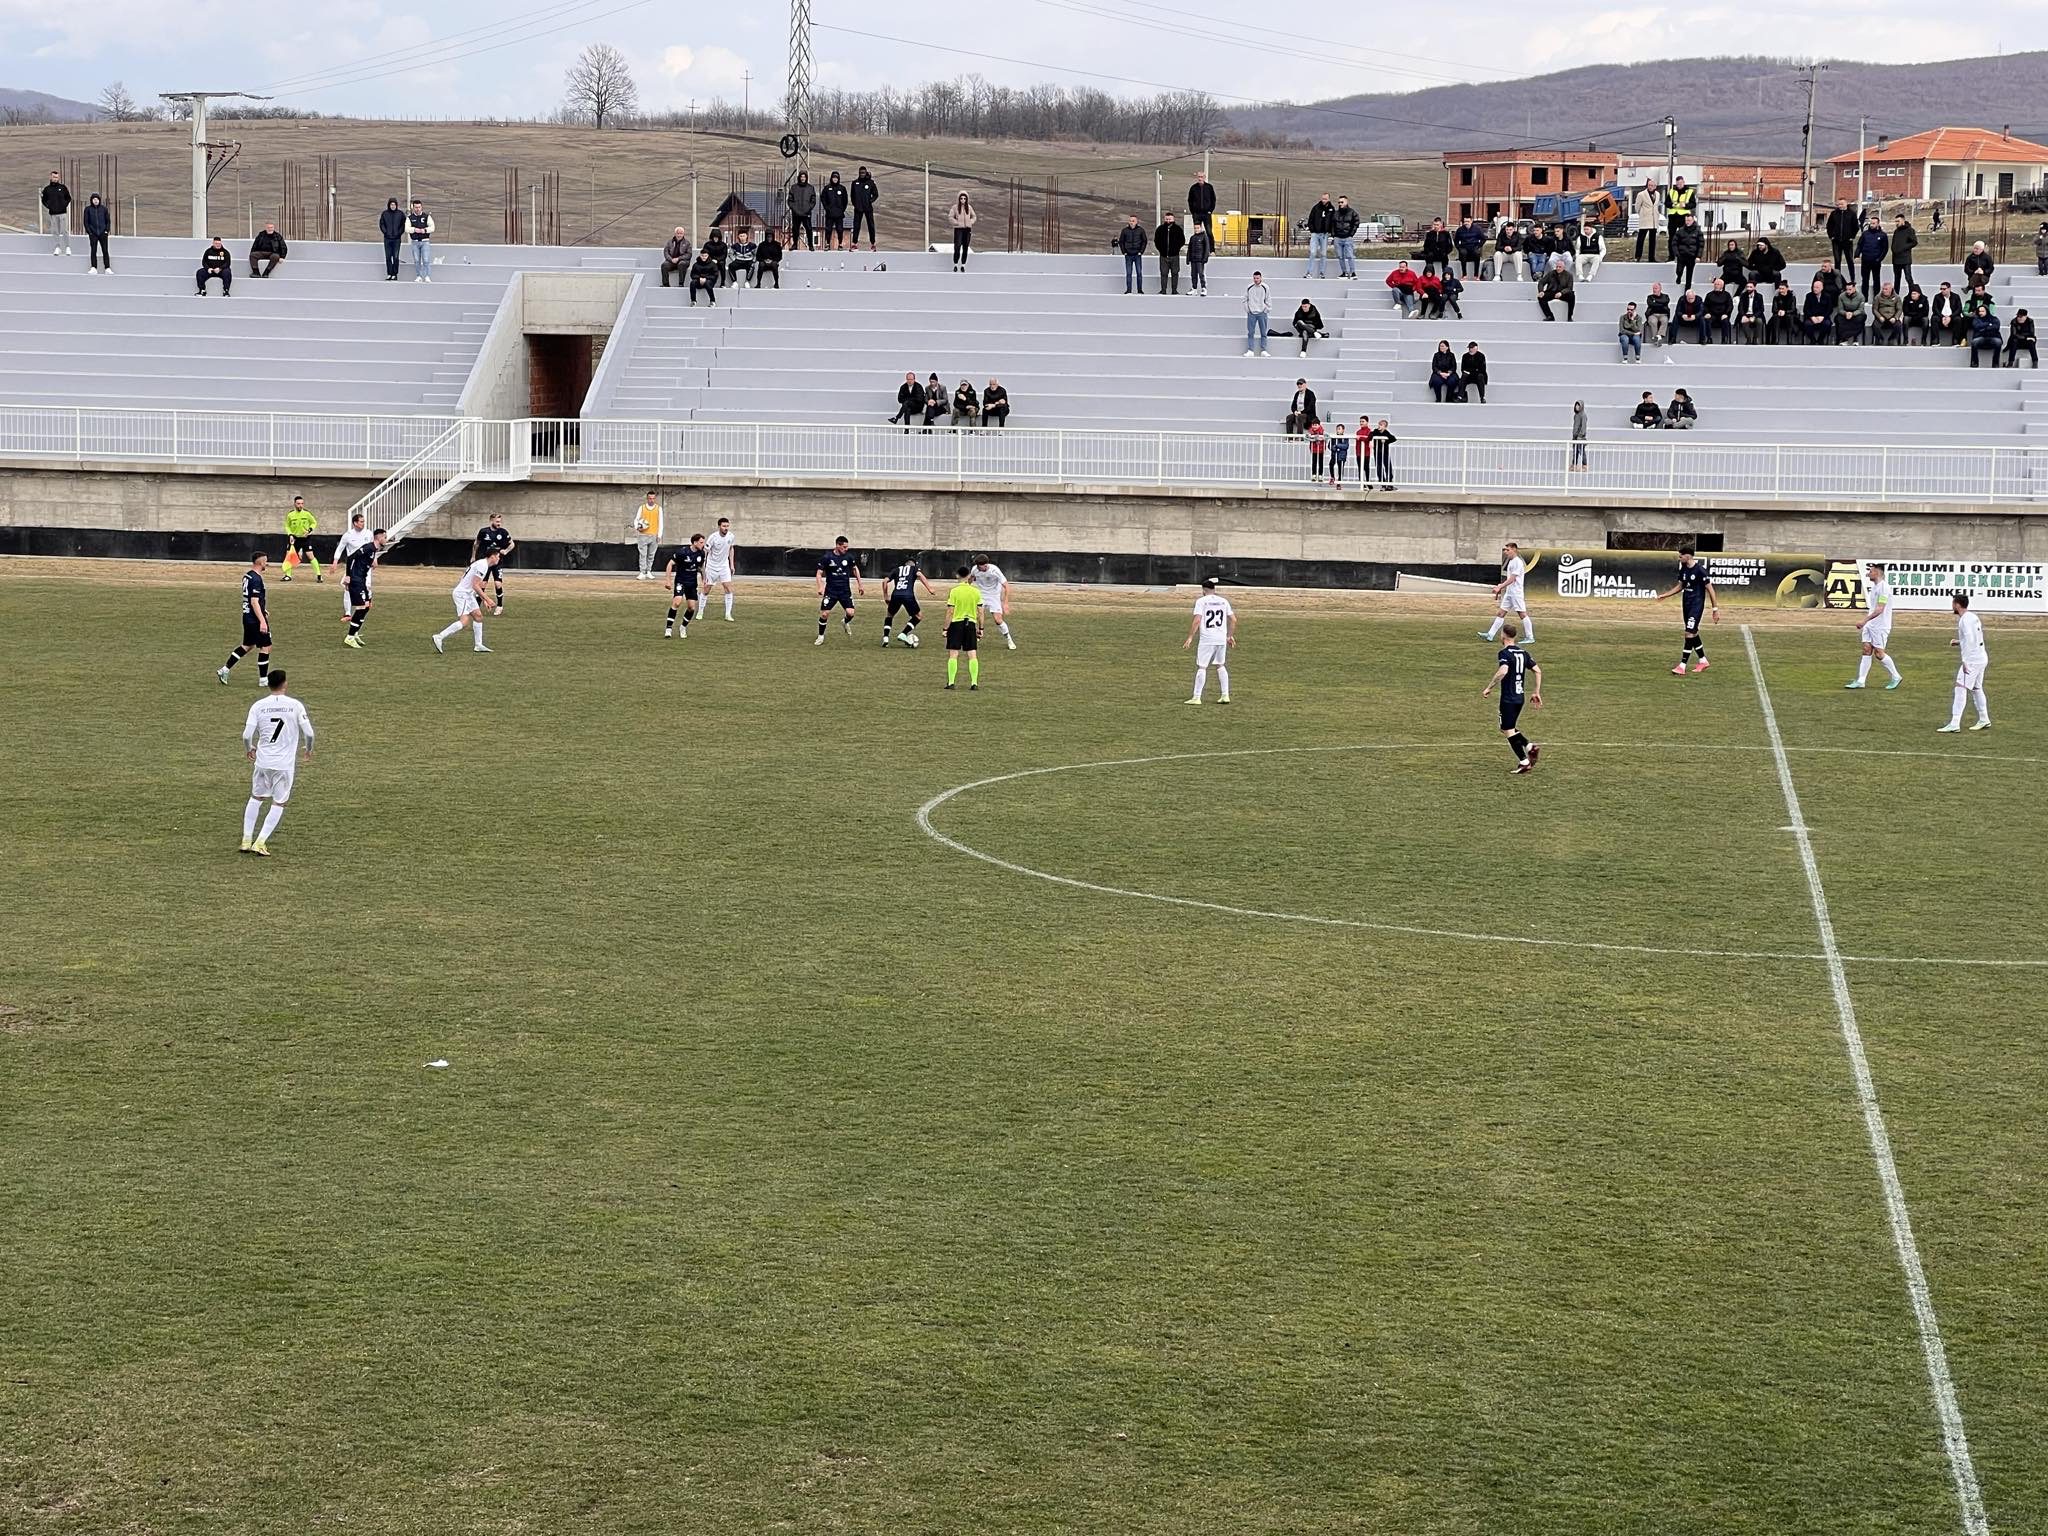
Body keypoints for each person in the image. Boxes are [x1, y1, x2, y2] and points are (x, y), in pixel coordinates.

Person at [239, 670, 312, 856]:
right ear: (285, 684)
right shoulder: (295, 706)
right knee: (279, 802)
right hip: (283, 765)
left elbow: (247, 735)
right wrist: (308, 748)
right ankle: (260, 842)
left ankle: (246, 840)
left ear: (269, 684)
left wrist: (249, 748)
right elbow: (309, 733)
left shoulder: (258, 706)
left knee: (256, 797)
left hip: (263, 762)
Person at [1480, 624, 1542, 775]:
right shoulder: (1524, 653)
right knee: (1507, 728)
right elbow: (1537, 670)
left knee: (1507, 730)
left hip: (1508, 698)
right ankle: (1529, 747)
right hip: (1519, 697)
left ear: (1503, 635)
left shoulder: (1504, 653)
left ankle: (1524, 761)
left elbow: (1503, 671)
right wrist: (1536, 692)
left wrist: (1489, 687)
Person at [1654, 548, 1717, 673]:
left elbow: (1711, 590)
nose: (1679, 558)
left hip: (1696, 606)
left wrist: (1715, 609)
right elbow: (1681, 586)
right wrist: (1665, 595)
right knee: (1693, 633)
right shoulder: (1683, 568)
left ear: (1688, 556)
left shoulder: (1700, 571)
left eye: (1681, 556)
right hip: (1686, 605)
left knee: (1688, 633)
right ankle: (1703, 661)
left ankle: (1682, 666)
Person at [217, 553, 274, 685]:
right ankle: (263, 679)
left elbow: (251, 599)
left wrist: (262, 608)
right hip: (254, 619)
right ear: (260, 563)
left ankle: (224, 669)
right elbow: (254, 601)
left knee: (248, 645)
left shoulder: (247, 576)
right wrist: (262, 620)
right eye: (266, 561)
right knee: (266, 646)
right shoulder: (256, 579)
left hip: (247, 616)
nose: (267, 564)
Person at [1844, 561, 1902, 690]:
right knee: (1866, 649)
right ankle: (1861, 680)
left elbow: (1880, 609)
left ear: (1877, 572)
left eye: (1870, 571)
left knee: (1879, 654)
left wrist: (1864, 620)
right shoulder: (1875, 587)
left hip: (1880, 626)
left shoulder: (1884, 588)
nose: (1868, 573)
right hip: (1871, 625)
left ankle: (1896, 676)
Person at [1938, 592, 1991, 733]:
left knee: (1960, 687)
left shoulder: (1964, 620)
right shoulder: (1973, 617)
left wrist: (1965, 660)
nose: (1952, 606)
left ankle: (1954, 723)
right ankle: (1984, 719)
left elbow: (1970, 639)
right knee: (1976, 688)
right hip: (1981, 657)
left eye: (1953, 603)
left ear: (1957, 604)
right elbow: (1974, 638)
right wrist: (1959, 642)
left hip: (1973, 660)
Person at [1183, 576, 1237, 704]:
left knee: (1202, 667)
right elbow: (1234, 620)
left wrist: (1190, 637)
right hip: (1221, 639)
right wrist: (1229, 636)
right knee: (1220, 665)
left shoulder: (1201, 601)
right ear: (1214, 589)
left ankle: (1196, 697)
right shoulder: (1224, 601)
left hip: (1207, 639)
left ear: (1203, 590)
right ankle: (1225, 695)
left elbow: (1197, 620)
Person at [433, 551, 499, 653]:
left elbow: (475, 585)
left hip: (468, 594)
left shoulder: (482, 564)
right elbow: (475, 585)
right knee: (464, 621)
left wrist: (483, 600)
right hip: (462, 594)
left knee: (478, 616)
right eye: (498, 556)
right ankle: (439, 636)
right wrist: (487, 599)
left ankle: (478, 645)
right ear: (492, 556)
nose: (499, 558)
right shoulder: (482, 565)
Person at [340, 529, 387, 649]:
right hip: (356, 580)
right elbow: (350, 557)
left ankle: (354, 633)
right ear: (379, 537)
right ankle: (350, 637)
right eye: (385, 537)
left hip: (362, 580)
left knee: (368, 605)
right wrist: (348, 576)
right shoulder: (368, 547)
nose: (386, 540)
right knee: (362, 607)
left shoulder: (374, 550)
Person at [1481, 540, 1535, 642]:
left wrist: (1500, 587)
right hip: (1510, 593)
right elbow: (1510, 579)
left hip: (1516, 593)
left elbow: (1513, 578)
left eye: (1508, 549)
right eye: (1505, 550)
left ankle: (1530, 637)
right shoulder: (1511, 561)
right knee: (1501, 613)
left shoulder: (1518, 562)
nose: (1505, 552)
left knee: (1522, 614)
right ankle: (1490, 635)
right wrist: (1502, 586)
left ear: (1514, 549)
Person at [815, 536, 864, 643]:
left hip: (845, 591)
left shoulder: (849, 557)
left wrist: (860, 584)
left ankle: (845, 622)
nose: (846, 549)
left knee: (851, 613)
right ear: (838, 545)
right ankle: (820, 636)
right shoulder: (827, 557)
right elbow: (819, 573)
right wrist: (820, 586)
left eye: (847, 547)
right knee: (824, 614)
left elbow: (855, 569)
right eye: (844, 547)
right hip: (831, 591)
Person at [881, 552, 937, 646]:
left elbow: (885, 581)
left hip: (896, 595)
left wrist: (886, 596)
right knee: (918, 616)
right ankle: (903, 634)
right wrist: (929, 589)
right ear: (913, 564)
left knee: (889, 615)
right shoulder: (914, 569)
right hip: (908, 595)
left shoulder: (896, 569)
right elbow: (919, 575)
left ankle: (886, 638)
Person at [943, 566, 982, 690]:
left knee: (953, 654)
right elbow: (980, 612)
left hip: (956, 624)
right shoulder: (976, 591)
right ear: (969, 576)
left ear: (957, 575)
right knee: (972, 654)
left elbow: (950, 611)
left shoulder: (954, 591)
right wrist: (981, 628)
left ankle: (951, 682)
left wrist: (945, 628)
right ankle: (974, 683)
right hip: (970, 623)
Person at [663, 532, 707, 638]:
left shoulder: (701, 553)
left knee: (691, 607)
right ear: (695, 542)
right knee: (677, 602)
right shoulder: (682, 552)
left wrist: (704, 579)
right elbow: (670, 564)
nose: (703, 545)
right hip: (681, 581)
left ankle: (683, 627)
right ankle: (668, 629)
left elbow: (700, 568)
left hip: (692, 583)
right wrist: (668, 581)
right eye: (701, 542)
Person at [331, 512, 374, 618]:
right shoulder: (348, 535)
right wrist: (335, 562)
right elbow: (340, 548)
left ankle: (368, 600)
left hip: (365, 566)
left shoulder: (368, 533)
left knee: (367, 587)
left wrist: (374, 559)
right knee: (347, 587)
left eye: (364, 521)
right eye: (361, 521)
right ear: (355, 523)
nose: (363, 523)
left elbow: (373, 548)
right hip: (352, 566)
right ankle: (347, 613)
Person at [970, 556, 1017, 649]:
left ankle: (1009, 639)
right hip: (981, 595)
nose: (978, 568)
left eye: (980, 567)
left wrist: (1005, 603)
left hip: (994, 596)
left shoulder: (995, 570)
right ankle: (977, 635)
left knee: (998, 620)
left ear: (986, 565)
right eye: (977, 566)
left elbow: (1007, 586)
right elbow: (970, 580)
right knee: (974, 616)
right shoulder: (975, 569)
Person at [473, 511, 515, 612]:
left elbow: (512, 544)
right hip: (486, 562)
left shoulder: (503, 532)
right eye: (497, 521)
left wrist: (506, 550)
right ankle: (477, 607)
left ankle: (499, 606)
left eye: (500, 521)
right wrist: (473, 556)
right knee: (482, 584)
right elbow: (476, 544)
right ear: (491, 521)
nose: (499, 523)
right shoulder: (483, 532)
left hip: (497, 562)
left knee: (498, 584)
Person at [280, 496, 320, 582]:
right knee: (289, 556)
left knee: (310, 556)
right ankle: (288, 575)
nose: (300, 505)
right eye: (298, 503)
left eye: (302, 503)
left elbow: (314, 522)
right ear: (294, 504)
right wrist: (290, 534)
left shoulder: (307, 513)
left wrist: (309, 530)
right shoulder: (290, 514)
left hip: (305, 538)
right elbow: (287, 526)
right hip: (294, 538)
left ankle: (319, 575)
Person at [706, 516, 738, 620]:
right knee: (706, 589)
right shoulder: (713, 537)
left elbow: (731, 549)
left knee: (728, 588)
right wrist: (703, 566)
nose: (726, 528)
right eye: (724, 526)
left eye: (727, 526)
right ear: (719, 526)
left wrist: (731, 565)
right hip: (712, 566)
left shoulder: (731, 536)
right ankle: (700, 612)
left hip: (724, 566)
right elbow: (706, 551)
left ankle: (728, 614)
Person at [631, 490, 662, 580]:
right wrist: (638, 527)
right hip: (643, 535)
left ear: (655, 499)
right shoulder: (642, 508)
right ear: (647, 499)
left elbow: (661, 522)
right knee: (643, 554)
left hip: (654, 535)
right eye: (649, 498)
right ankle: (642, 572)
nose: (651, 500)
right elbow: (636, 519)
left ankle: (649, 571)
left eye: (653, 498)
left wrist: (659, 534)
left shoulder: (659, 509)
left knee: (651, 555)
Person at [1306, 194, 1338, 278]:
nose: (1324, 200)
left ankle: (1322, 273)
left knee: (1323, 254)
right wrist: (1312, 230)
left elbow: (1333, 221)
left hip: (1324, 234)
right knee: (1313, 252)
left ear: (1329, 199)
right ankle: (1309, 272)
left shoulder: (1331, 209)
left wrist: (1331, 232)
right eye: (1323, 199)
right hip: (1315, 234)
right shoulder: (1316, 208)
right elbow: (1310, 219)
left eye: (1326, 199)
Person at [41, 169, 72, 255]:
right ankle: (57, 247)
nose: (55, 179)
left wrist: (63, 205)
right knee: (55, 231)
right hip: (53, 213)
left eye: (57, 177)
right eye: (54, 177)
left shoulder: (62, 188)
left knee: (64, 230)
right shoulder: (47, 189)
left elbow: (68, 198)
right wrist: (49, 206)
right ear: (51, 177)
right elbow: (44, 200)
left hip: (62, 213)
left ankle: (67, 247)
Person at [1115, 214, 1148, 293]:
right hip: (1128, 255)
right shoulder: (1125, 230)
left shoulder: (1141, 230)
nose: (1131, 222)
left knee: (1139, 273)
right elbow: (1121, 241)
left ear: (1136, 222)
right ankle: (1128, 290)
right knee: (1129, 273)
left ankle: (1139, 290)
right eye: (1130, 221)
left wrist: (1141, 251)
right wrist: (1124, 252)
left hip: (1137, 255)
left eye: (1133, 221)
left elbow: (1144, 241)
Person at [1826, 198, 1859, 277]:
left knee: (1850, 260)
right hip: (1836, 241)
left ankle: (1852, 278)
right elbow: (1829, 226)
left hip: (1847, 241)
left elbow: (1856, 226)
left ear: (1846, 204)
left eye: (1842, 204)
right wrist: (1831, 236)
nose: (1840, 206)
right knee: (1837, 260)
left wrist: (1852, 236)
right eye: (1839, 204)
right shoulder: (1834, 213)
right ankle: (1838, 278)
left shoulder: (1852, 213)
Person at [1670, 214, 1703, 292]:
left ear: (1693, 220)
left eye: (1689, 220)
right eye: (1686, 220)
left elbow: (1701, 245)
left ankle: (1687, 290)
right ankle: (1679, 276)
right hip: (1682, 255)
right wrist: (1677, 253)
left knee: (1689, 274)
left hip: (1692, 256)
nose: (1687, 222)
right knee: (1679, 270)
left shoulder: (1698, 231)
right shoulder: (1680, 231)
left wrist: (1698, 256)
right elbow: (1674, 243)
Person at [1155, 211, 1185, 295]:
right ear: (1164, 219)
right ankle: (1163, 290)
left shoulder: (1178, 229)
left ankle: (1174, 290)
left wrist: (1176, 249)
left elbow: (1182, 240)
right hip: (1163, 256)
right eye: (1167, 219)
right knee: (1163, 273)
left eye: (1170, 219)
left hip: (1174, 256)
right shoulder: (1160, 229)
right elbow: (1156, 241)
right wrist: (1161, 250)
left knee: (1175, 273)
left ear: (1173, 219)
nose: (1168, 220)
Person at [850, 167, 879, 250]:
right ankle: (854, 243)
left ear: (866, 173)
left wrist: (870, 201)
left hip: (868, 208)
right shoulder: (855, 183)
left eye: (863, 173)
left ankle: (873, 243)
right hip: (858, 208)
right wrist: (855, 204)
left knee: (870, 225)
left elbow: (876, 194)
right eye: (860, 173)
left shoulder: (870, 183)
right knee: (856, 226)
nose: (862, 174)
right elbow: (852, 196)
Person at [1855, 219, 1886, 296]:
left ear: (1878, 224)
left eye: (1874, 223)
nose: (1872, 225)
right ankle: (1864, 299)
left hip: (1876, 262)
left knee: (1876, 280)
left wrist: (1879, 259)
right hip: (1865, 261)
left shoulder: (1882, 235)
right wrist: (1856, 255)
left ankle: (1876, 298)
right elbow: (1859, 245)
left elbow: (1885, 249)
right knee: (1865, 280)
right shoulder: (1865, 234)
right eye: (1871, 223)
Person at [1929, 282, 1966, 347]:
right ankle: (1935, 341)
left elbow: (1959, 309)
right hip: (1941, 318)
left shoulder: (1956, 296)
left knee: (1958, 319)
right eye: (1941, 289)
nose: (1942, 290)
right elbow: (1935, 309)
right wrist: (1942, 317)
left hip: (1952, 318)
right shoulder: (1937, 297)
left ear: (1949, 289)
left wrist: (1950, 317)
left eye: (1944, 289)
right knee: (1934, 318)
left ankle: (1955, 341)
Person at [1332, 195, 1360, 279]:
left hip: (1348, 237)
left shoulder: (1352, 212)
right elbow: (1332, 224)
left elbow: (1356, 222)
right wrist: (1334, 235)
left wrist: (1351, 234)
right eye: (1339, 202)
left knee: (1350, 256)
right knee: (1340, 256)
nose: (1340, 204)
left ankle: (1353, 273)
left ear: (1346, 202)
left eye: (1342, 202)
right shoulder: (1336, 213)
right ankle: (1344, 272)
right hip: (1338, 238)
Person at [1244, 270, 1271, 357]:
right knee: (1251, 332)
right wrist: (1248, 310)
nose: (1256, 280)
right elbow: (1245, 299)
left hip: (1262, 313)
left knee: (1263, 332)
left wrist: (1266, 310)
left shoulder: (1265, 287)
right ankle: (1250, 350)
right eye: (1254, 278)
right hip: (1251, 313)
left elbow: (1268, 299)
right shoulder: (1249, 287)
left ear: (1261, 278)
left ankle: (1263, 350)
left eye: (1257, 278)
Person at [1968, 302, 2003, 369]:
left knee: (1998, 342)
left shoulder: (1994, 318)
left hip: (1993, 337)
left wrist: (1983, 329)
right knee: (1974, 342)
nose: (1980, 313)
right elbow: (1976, 327)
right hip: (1980, 337)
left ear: (1987, 311)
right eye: (1979, 311)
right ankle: (1974, 362)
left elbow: (1996, 327)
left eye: (1983, 311)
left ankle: (1995, 363)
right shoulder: (1976, 319)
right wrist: (1988, 324)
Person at [819, 171, 849, 249]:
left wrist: (842, 209)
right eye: (833, 178)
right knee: (828, 229)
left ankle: (840, 244)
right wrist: (827, 208)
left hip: (839, 214)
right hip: (830, 214)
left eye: (836, 178)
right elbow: (823, 198)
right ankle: (827, 244)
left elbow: (845, 200)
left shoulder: (842, 188)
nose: (835, 179)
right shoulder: (827, 188)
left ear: (838, 179)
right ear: (831, 178)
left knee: (840, 230)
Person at [82, 193, 111, 274]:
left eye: (97, 199)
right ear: (91, 200)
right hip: (93, 233)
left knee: (105, 250)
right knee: (93, 250)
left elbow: (108, 221)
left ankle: (107, 267)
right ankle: (94, 267)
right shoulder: (88, 209)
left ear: (99, 200)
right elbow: (86, 221)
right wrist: (89, 232)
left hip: (103, 233)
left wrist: (106, 231)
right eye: (94, 199)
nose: (95, 200)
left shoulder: (104, 209)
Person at [1632, 181, 1661, 262]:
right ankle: (1637, 256)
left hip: (1654, 220)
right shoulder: (1641, 194)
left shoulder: (1657, 194)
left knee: (1653, 240)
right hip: (1645, 219)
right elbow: (1637, 206)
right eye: (1649, 185)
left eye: (1652, 185)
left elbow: (1656, 205)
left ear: (1655, 186)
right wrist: (1642, 213)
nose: (1650, 187)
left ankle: (1651, 257)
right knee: (1641, 238)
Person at [788, 171, 817, 250]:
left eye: (804, 177)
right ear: (799, 178)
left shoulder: (810, 188)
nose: (802, 178)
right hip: (796, 213)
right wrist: (793, 208)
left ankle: (810, 245)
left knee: (809, 229)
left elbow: (813, 200)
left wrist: (809, 208)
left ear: (806, 178)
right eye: (801, 177)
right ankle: (795, 244)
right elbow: (790, 200)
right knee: (795, 229)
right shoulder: (794, 187)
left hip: (806, 213)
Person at [378, 197, 406, 279]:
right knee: (388, 256)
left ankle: (395, 274)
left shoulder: (400, 214)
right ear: (389, 205)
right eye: (391, 204)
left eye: (394, 204)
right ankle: (389, 273)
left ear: (396, 205)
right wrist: (385, 232)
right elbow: (381, 224)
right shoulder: (385, 214)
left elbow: (403, 224)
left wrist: (399, 233)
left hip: (397, 239)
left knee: (396, 257)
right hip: (387, 239)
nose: (393, 206)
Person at [407, 199, 434, 281]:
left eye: (419, 207)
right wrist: (414, 229)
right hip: (415, 242)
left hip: (425, 241)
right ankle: (418, 276)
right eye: (416, 207)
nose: (417, 209)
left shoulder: (426, 217)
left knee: (426, 259)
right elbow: (406, 228)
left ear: (421, 207)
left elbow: (432, 227)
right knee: (416, 260)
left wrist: (425, 230)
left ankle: (427, 276)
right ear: (413, 208)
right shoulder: (410, 218)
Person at [1187, 172, 1217, 243]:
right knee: (1197, 232)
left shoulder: (1209, 187)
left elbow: (1213, 199)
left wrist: (1210, 210)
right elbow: (1190, 200)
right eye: (1199, 177)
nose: (1200, 178)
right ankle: (1197, 248)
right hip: (1197, 214)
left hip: (1206, 214)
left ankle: (1211, 250)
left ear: (1204, 177)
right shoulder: (1193, 188)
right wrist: (1193, 212)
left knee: (1209, 232)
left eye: (1201, 177)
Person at [1890, 215, 1918, 291]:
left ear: (1903, 220)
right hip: (1896, 259)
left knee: (1908, 278)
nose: (1896, 223)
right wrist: (1893, 249)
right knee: (1897, 279)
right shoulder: (1896, 231)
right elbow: (1894, 243)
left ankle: (1912, 293)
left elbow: (1914, 242)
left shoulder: (1909, 230)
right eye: (1895, 221)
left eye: (1898, 221)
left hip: (1905, 259)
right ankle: (1896, 296)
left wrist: (1903, 248)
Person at [1801, 279, 1833, 345]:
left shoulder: (1827, 296)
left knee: (1827, 324)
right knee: (1807, 324)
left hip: (1823, 317)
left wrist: (1823, 317)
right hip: (1812, 317)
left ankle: (1820, 339)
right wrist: (1812, 317)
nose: (1815, 289)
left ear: (1822, 288)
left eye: (1817, 287)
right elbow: (1806, 309)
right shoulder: (1809, 296)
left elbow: (1829, 309)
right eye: (1814, 287)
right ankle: (1812, 340)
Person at [950, 192, 976, 271]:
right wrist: (956, 222)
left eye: (964, 198)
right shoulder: (955, 207)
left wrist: (970, 222)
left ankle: (963, 265)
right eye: (961, 198)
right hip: (958, 229)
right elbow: (950, 217)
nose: (963, 200)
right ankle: (955, 264)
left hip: (967, 229)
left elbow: (974, 216)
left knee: (965, 247)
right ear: (959, 199)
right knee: (957, 246)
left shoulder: (969, 207)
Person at [1702, 278, 1733, 344]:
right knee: (1707, 319)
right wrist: (1707, 313)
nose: (1716, 285)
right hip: (1712, 314)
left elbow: (1730, 306)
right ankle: (1709, 338)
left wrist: (1726, 314)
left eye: (1718, 284)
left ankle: (1724, 339)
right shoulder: (1709, 295)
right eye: (1715, 284)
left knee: (1725, 320)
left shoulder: (1727, 295)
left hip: (1723, 315)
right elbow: (1705, 306)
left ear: (1722, 285)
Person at [1186, 221, 1212, 297]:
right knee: (1193, 274)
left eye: (1198, 228)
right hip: (1193, 259)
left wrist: (1205, 258)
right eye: (1195, 228)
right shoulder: (1192, 238)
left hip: (1200, 260)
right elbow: (1189, 249)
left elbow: (1207, 248)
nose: (1196, 229)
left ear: (1201, 228)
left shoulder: (1204, 237)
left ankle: (1203, 288)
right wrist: (1188, 259)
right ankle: (1194, 288)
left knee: (1201, 274)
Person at [1369, 418, 1396, 489]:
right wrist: (1371, 440)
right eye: (1379, 424)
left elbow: (1393, 438)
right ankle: (1382, 483)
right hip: (1377, 453)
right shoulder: (1376, 431)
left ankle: (1389, 483)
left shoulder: (1386, 433)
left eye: (1381, 425)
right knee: (1379, 468)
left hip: (1385, 453)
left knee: (1388, 467)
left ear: (1385, 427)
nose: (1379, 426)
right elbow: (1371, 434)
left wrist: (1386, 441)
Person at [1643, 282, 1671, 347]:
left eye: (1655, 288)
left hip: (1663, 314)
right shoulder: (1650, 297)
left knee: (1664, 321)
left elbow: (1665, 301)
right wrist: (1661, 304)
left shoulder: (1665, 296)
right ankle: (1656, 338)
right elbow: (1651, 304)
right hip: (1652, 314)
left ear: (1660, 289)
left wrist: (1656, 301)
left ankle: (1659, 336)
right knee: (1653, 321)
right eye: (1653, 288)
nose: (1654, 290)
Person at [1327, 418, 1349, 485]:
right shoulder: (1333, 437)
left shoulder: (1345, 437)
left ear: (1343, 430)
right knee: (1331, 464)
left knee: (1340, 469)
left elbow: (1345, 446)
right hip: (1334, 455)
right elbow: (1329, 446)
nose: (1338, 430)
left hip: (1341, 456)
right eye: (1337, 429)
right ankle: (1332, 477)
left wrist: (1337, 445)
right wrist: (1334, 448)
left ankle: (1339, 482)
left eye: (1339, 429)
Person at [1570, 400, 1589, 471]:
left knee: (1581, 451)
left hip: (1580, 438)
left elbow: (1583, 427)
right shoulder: (1576, 415)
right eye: (1576, 405)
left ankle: (1584, 466)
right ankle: (1574, 465)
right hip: (1575, 438)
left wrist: (1580, 435)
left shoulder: (1583, 415)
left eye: (1578, 405)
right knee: (1575, 452)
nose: (1577, 406)